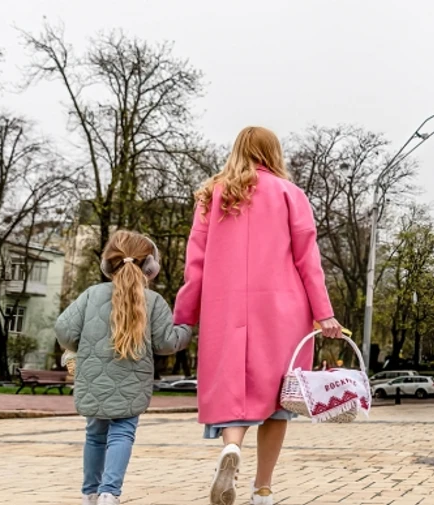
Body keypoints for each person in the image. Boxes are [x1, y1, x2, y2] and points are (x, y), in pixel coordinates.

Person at [173, 126, 343, 505]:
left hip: (225, 309)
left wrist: (185, 313)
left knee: (235, 391)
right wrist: (324, 313)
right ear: (272, 153)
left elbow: (195, 262)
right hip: (283, 309)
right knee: (279, 400)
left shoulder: (212, 196)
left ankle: (230, 449)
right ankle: (262, 489)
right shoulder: (290, 194)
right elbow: (307, 260)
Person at [55, 231, 192, 505]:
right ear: (150, 267)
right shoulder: (153, 302)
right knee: (122, 433)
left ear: (108, 264)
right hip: (132, 382)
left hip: (93, 379)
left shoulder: (91, 295)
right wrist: (187, 327)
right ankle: (110, 493)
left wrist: (78, 345)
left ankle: (90, 494)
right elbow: (167, 342)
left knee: (94, 435)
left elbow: (64, 329)